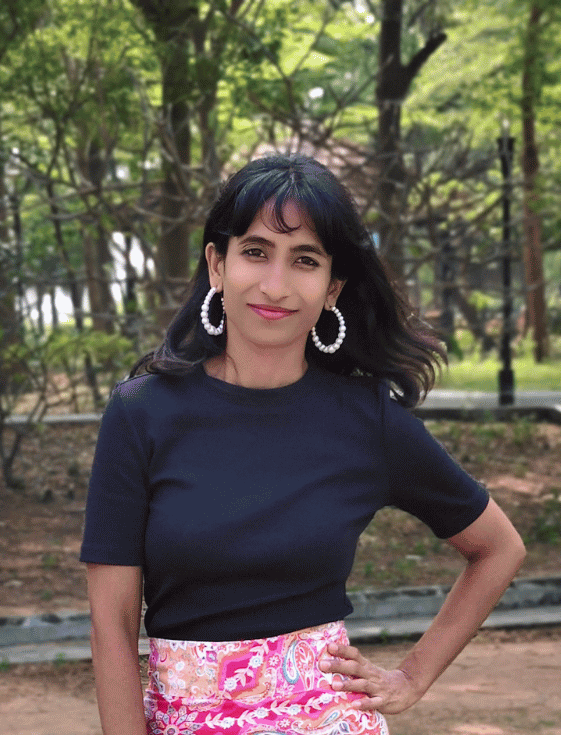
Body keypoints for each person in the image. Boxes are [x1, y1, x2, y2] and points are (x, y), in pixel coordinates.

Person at [80, 155, 526, 735]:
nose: (276, 284)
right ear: (217, 264)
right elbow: (112, 627)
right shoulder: (142, 414)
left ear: (332, 287)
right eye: (256, 251)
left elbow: (498, 548)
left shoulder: (367, 420)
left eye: (305, 260)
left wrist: (412, 677)